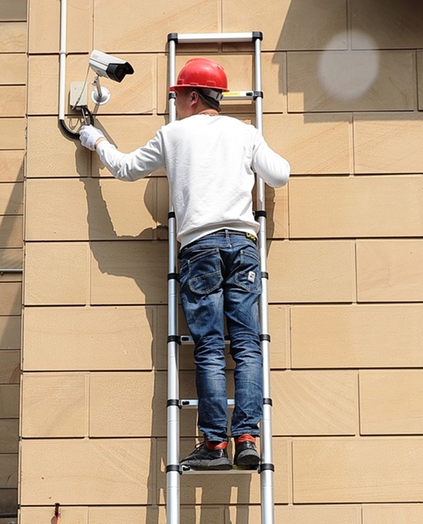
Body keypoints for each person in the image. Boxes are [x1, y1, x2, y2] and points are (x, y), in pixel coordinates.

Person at [78, 57, 290, 470]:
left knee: (210, 347)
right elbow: (279, 175)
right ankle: (246, 438)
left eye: (177, 97)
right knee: (247, 345)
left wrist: (94, 140)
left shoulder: (173, 135)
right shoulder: (245, 133)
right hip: (245, 246)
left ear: (193, 96)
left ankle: (214, 446)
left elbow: (125, 169)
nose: (174, 104)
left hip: (201, 247)